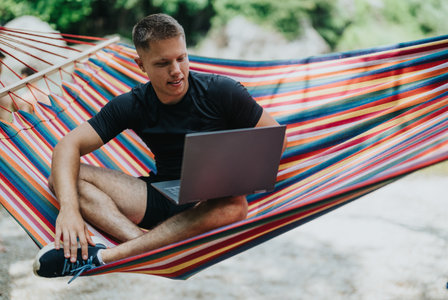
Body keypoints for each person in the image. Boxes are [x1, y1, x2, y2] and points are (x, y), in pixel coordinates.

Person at [33, 13, 286, 279]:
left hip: (213, 201)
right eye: (163, 63)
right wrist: (69, 210)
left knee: (235, 206)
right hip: (161, 196)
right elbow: (66, 146)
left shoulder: (222, 91)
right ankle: (149, 246)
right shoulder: (133, 103)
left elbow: (275, 138)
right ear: (141, 65)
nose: (176, 70)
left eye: (181, 58)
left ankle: (107, 256)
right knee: (62, 179)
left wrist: (233, 176)